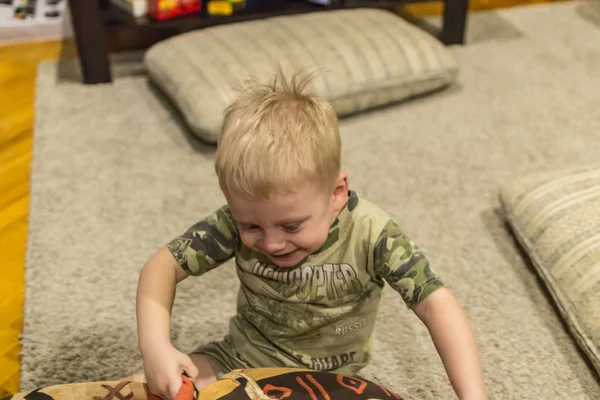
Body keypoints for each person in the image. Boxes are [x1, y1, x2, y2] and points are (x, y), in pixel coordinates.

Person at [131, 68, 488, 400]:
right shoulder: (231, 222)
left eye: (291, 226)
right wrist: (156, 347)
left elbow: (435, 303)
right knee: (148, 387)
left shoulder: (373, 234)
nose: (271, 243)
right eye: (251, 226)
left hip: (329, 383)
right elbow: (161, 266)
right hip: (239, 361)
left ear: (337, 193)